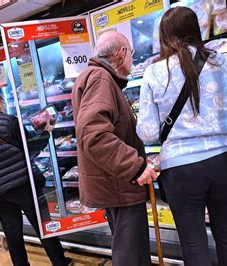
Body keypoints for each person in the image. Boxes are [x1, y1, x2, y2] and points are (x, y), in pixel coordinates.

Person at [137, 7, 227, 266]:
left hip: (182, 167)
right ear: (196, 30)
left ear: (165, 35)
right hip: (226, 157)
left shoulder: (154, 72)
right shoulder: (224, 62)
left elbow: (148, 133)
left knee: (193, 242)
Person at [71, 31, 158, 266]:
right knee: (131, 256)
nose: (132, 59)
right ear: (121, 54)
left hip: (114, 183)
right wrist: (135, 166)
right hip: (119, 184)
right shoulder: (100, 79)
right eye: (131, 54)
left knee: (129, 252)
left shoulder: (94, 77)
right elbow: (94, 135)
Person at [0, 88, 72, 266]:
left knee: (12, 233)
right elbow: (31, 147)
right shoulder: (9, 122)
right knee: (42, 224)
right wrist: (47, 131)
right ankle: (59, 261)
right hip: (22, 185)